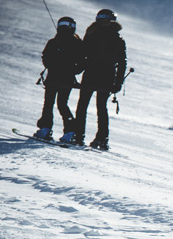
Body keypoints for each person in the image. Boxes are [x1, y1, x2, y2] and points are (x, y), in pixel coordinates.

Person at [72, 9, 127, 150]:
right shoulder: (117, 38)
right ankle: (102, 139)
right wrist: (118, 82)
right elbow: (122, 63)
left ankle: (78, 136)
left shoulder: (92, 34)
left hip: (91, 75)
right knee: (101, 108)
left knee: (82, 106)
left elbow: (82, 55)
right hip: (107, 77)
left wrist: (76, 71)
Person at [34, 16, 84, 143]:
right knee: (62, 104)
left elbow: (46, 58)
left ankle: (45, 129)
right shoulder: (77, 43)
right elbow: (82, 62)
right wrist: (73, 70)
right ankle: (69, 131)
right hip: (66, 80)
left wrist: (52, 66)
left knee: (49, 104)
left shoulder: (54, 42)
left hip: (53, 78)